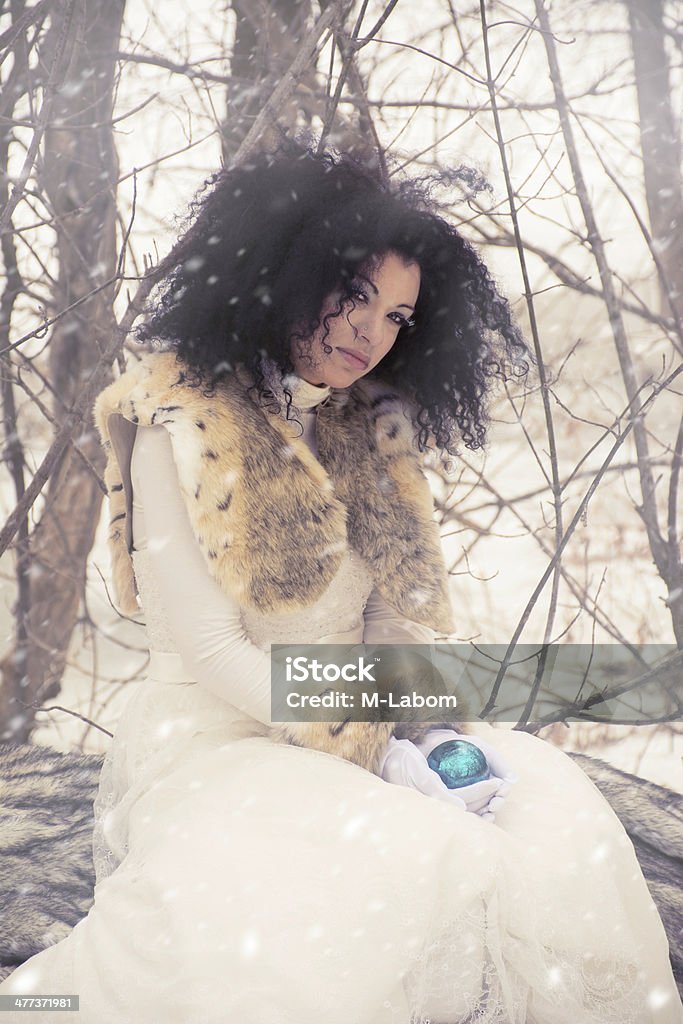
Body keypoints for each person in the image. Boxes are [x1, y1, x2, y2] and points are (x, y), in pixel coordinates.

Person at [1, 143, 680, 1023]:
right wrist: (361, 745)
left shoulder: (368, 426)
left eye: (397, 315)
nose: (371, 332)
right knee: (368, 876)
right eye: (352, 295)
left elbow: (394, 623)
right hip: (227, 736)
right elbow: (214, 651)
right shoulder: (180, 417)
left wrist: (428, 733)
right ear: (284, 271)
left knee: (551, 829)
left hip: (357, 720)